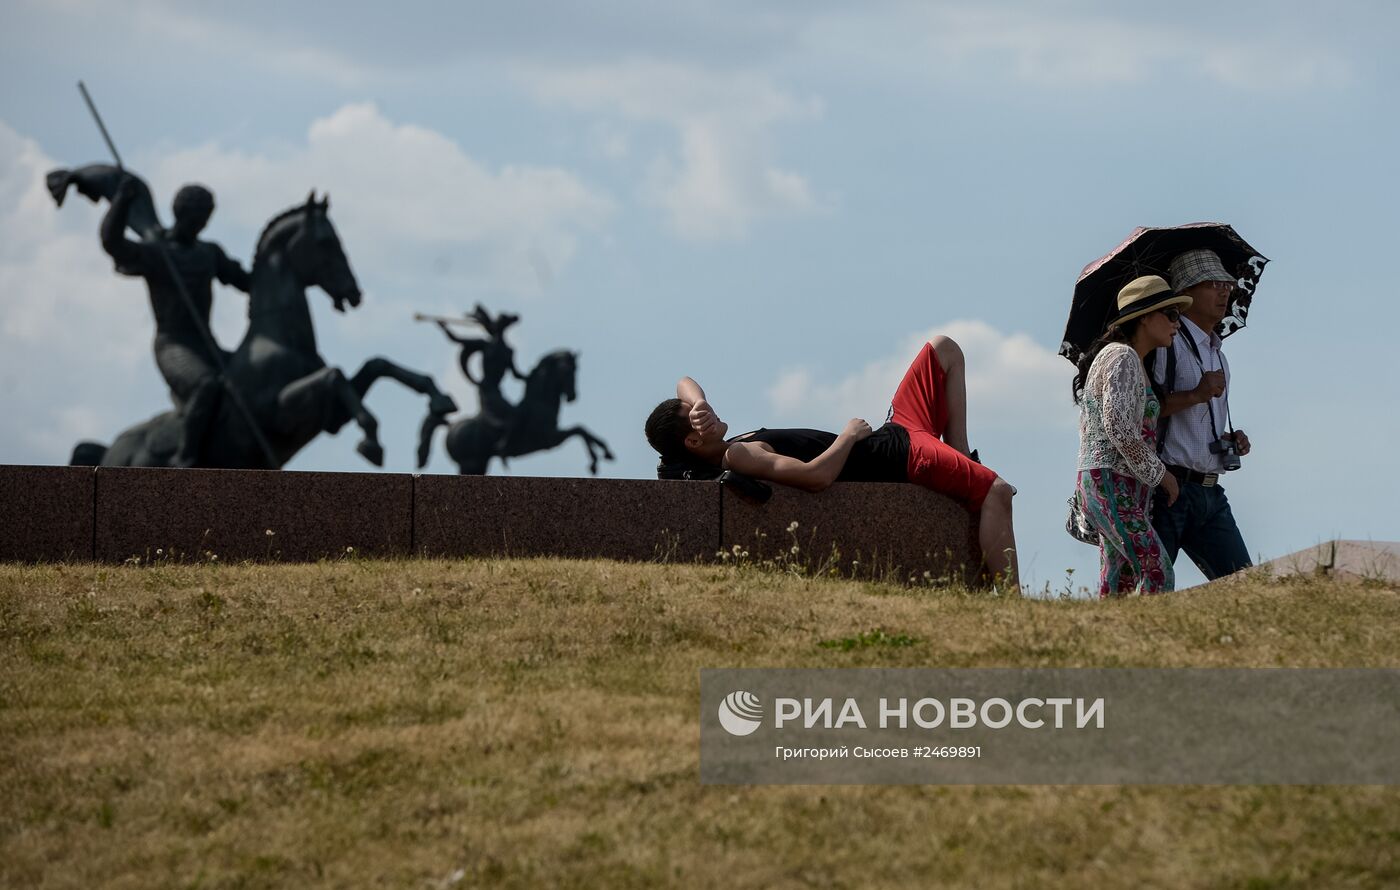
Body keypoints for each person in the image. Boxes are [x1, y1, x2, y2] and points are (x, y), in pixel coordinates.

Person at [644, 335, 1020, 585]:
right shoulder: (738, 454)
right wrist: (848, 436)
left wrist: (697, 403)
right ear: (693, 441)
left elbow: (684, 381)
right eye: (696, 418)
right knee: (997, 492)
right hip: (902, 455)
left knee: (945, 349)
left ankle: (961, 455)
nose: (707, 413)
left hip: (899, 428)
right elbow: (815, 477)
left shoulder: (730, 439)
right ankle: (1012, 602)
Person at [102, 175, 251, 467]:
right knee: (206, 386)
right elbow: (113, 243)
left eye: (205, 218)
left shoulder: (209, 253)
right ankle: (186, 456)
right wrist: (121, 202)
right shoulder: (158, 252)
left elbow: (246, 281)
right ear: (181, 213)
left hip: (207, 345)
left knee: (250, 383)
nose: (201, 224)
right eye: (197, 217)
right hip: (174, 346)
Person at [1072, 275, 1189, 597]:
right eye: (1171, 314)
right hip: (1108, 481)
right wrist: (1162, 475)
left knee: (1118, 584)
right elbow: (1119, 428)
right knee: (1157, 569)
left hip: (1119, 482)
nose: (1177, 323)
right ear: (1146, 317)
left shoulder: (1132, 361)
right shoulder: (1122, 357)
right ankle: (1152, 631)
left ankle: (1112, 630)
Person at [1147, 249, 1253, 579]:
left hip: (1210, 489)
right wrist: (1196, 394)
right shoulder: (1166, 345)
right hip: (1168, 488)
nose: (1225, 291)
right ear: (1185, 294)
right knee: (1151, 590)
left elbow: (1196, 423)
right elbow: (1146, 409)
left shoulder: (1218, 355)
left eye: (1227, 284)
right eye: (1212, 283)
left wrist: (1228, 440)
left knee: (1244, 584)